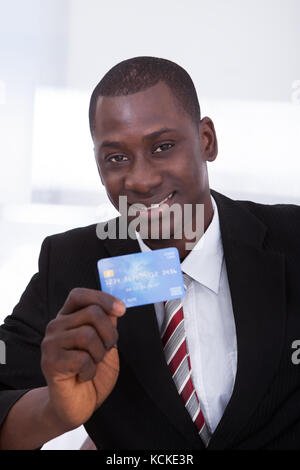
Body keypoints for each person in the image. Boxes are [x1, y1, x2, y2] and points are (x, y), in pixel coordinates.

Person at [0, 56, 300, 450]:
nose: (141, 180)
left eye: (162, 147)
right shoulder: (70, 263)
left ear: (206, 140)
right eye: (116, 158)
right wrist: (55, 409)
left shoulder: (291, 239)